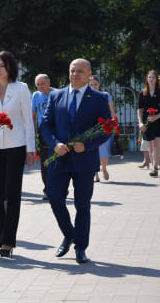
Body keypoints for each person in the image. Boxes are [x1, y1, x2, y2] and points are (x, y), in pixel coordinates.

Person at [41, 58, 111, 264]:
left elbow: (107, 128)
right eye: (72, 71)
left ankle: (80, 247)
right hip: (59, 158)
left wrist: (87, 146)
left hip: (84, 160)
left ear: (89, 74)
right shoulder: (56, 96)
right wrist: (54, 144)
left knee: (82, 205)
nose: (75, 74)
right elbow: (45, 125)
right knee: (54, 199)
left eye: (80, 71)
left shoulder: (98, 98)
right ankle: (69, 234)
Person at [0, 51, 35, 257]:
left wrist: (31, 149)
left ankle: (8, 241)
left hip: (16, 146)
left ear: (10, 67)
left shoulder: (21, 88)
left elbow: (27, 120)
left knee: (12, 194)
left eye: (2, 66)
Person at [31, 74, 55, 200]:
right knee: (44, 162)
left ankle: (61, 188)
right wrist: (32, 132)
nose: (40, 86)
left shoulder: (57, 93)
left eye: (42, 83)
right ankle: (47, 190)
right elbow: (33, 115)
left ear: (48, 81)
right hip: (42, 131)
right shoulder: (35, 95)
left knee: (57, 161)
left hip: (55, 132)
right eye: (38, 84)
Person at [88, 75, 116, 182]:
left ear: (99, 84)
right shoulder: (87, 96)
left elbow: (111, 110)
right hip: (91, 127)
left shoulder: (105, 95)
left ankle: (103, 168)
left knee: (104, 149)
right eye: (91, 85)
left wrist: (114, 123)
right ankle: (95, 174)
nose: (94, 86)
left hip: (105, 125)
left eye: (95, 84)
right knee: (93, 149)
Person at [138, 70, 160, 177]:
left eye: (153, 77)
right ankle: (153, 165)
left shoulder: (159, 91)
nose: (151, 79)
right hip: (147, 122)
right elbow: (140, 110)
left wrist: (157, 116)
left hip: (158, 121)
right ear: (147, 79)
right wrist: (140, 122)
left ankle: (155, 167)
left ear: (156, 80)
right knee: (150, 146)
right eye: (149, 77)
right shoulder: (143, 93)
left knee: (156, 144)